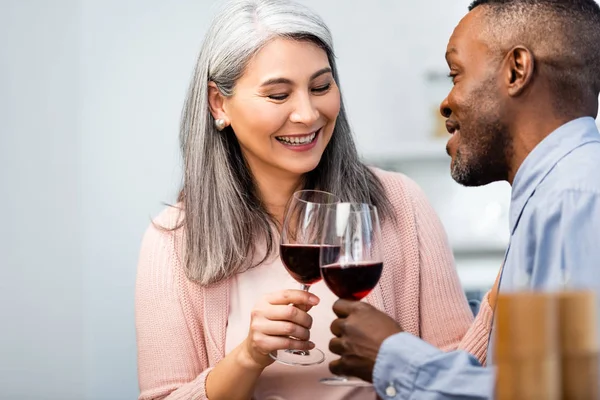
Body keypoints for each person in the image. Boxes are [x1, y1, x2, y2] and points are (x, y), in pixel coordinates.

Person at [134, 0, 487, 399]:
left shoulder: (398, 203)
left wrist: (497, 302)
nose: (308, 113)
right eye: (279, 95)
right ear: (219, 103)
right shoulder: (174, 239)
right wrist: (248, 357)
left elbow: (456, 372)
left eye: (321, 87)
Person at [327, 0, 600, 398]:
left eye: (456, 74)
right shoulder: (559, 195)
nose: (446, 102)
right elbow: (538, 385)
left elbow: (563, 394)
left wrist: (394, 356)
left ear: (516, 70)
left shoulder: (573, 200)